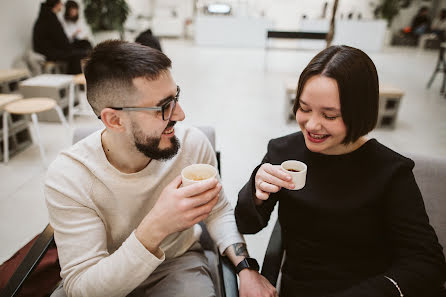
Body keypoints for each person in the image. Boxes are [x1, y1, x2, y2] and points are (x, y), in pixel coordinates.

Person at [45, 40, 276, 297]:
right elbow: (82, 288)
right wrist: (157, 225)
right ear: (114, 120)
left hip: (176, 264)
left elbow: (218, 211)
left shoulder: (190, 145)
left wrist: (246, 269)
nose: (180, 114)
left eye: (176, 97)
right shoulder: (69, 176)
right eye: (163, 107)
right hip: (105, 272)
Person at [235, 45, 446, 297]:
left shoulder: (390, 172)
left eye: (330, 115)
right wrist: (256, 194)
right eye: (304, 108)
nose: (312, 125)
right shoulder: (283, 152)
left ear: (359, 112)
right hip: (301, 287)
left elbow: (427, 263)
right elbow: (245, 223)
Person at [33, 0, 89, 74]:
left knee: (84, 44)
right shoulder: (50, 18)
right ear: (56, 4)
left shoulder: (46, 16)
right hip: (48, 52)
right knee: (79, 55)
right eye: (60, 3)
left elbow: (61, 40)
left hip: (49, 50)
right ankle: (74, 82)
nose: (62, 5)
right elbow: (62, 42)